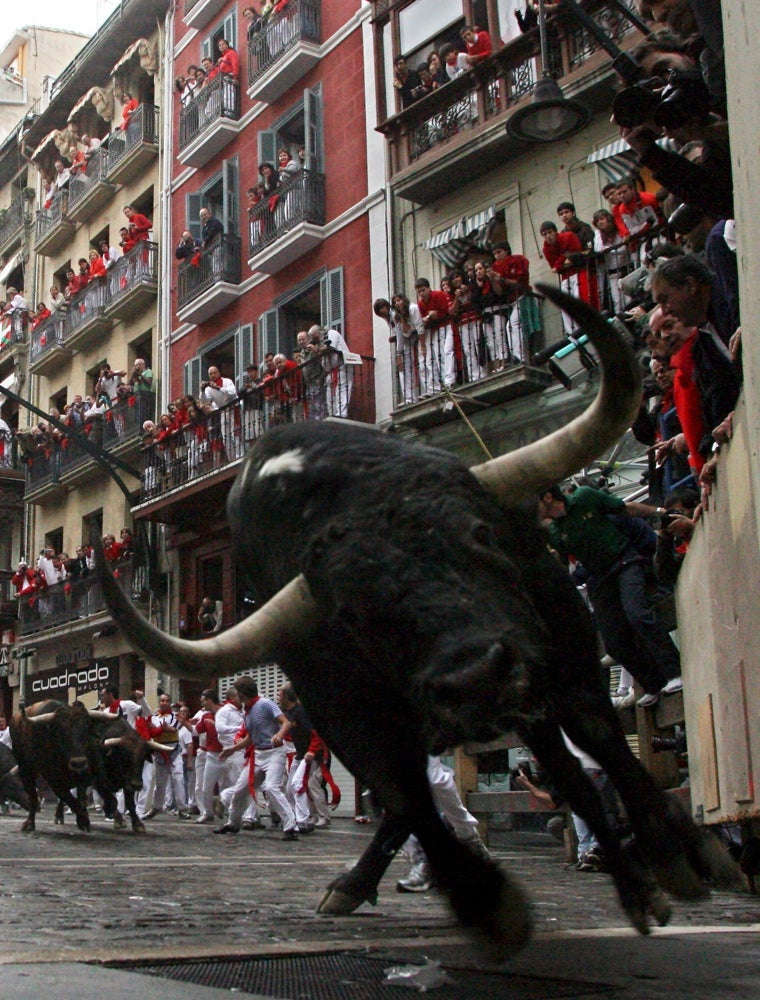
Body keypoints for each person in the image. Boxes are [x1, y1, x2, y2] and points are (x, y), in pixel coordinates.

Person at [539, 484, 683, 707]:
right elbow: (559, 559)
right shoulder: (555, 532)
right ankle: (653, 683)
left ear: (548, 497)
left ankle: (675, 672)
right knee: (613, 642)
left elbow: (626, 509)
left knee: (637, 615)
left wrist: (660, 513)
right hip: (598, 578)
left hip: (624, 563)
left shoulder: (585, 497)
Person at [217, 676, 298, 839]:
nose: (236, 696)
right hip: (259, 754)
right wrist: (232, 749)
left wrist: (279, 735)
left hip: (275, 753)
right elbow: (250, 738)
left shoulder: (265, 704)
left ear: (243, 694)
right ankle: (233, 823)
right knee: (241, 789)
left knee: (271, 787)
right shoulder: (246, 711)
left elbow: (286, 723)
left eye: (238, 693)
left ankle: (291, 827)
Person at [277, 682, 328, 834]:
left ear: (286, 697)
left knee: (298, 784)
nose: (278, 698)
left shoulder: (301, 712)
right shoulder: (289, 713)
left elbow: (316, 732)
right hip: (300, 754)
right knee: (288, 788)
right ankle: (295, 817)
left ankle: (303, 820)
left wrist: (312, 751)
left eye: (280, 695)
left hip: (310, 756)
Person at [142, 693, 192, 819]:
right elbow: (152, 730)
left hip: (174, 751)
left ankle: (182, 809)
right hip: (159, 751)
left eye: (166, 701)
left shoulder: (175, 716)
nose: (164, 703)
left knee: (178, 780)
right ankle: (156, 807)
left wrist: (158, 729)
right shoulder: (154, 717)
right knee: (160, 783)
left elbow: (173, 729)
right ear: (159, 702)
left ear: (169, 703)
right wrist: (160, 729)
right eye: (162, 701)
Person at [415, 277, 454, 393]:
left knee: (448, 351)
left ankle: (450, 380)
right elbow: (423, 320)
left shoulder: (439, 295)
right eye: (419, 292)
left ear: (428, 288)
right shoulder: (421, 304)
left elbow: (446, 311)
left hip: (447, 325)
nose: (422, 293)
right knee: (439, 355)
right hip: (435, 330)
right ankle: (444, 381)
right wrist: (429, 318)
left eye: (423, 290)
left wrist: (434, 315)